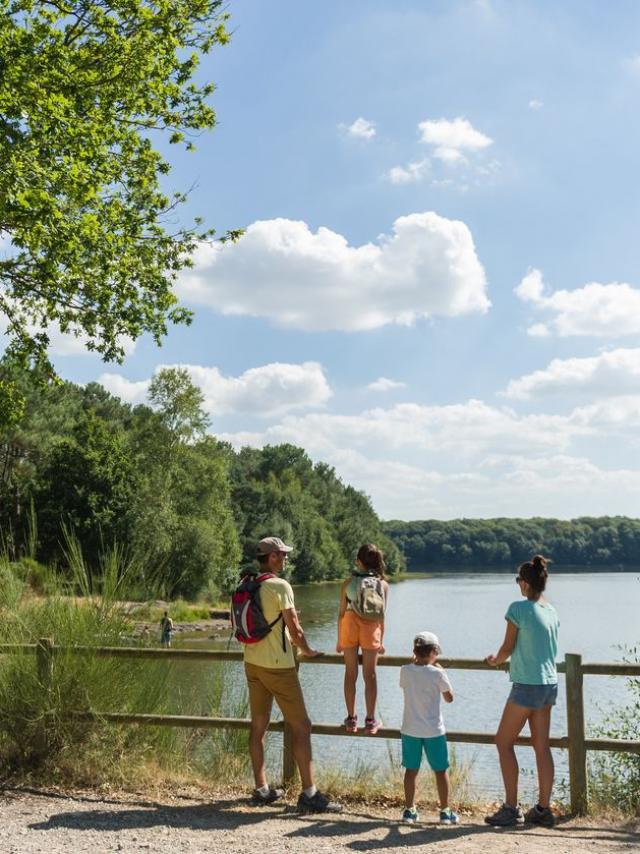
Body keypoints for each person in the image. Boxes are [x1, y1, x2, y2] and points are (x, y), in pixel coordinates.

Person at [242, 536, 342, 814]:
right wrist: (308, 650)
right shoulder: (279, 585)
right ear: (272, 556)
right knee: (302, 726)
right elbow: (295, 629)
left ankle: (262, 789)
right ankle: (309, 793)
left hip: (252, 663)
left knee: (258, 726)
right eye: (283, 554)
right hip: (278, 667)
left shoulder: (247, 582)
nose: (285, 559)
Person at [485, 555, 559, 829]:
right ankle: (543, 809)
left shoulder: (517, 608)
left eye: (518, 580)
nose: (518, 585)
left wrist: (495, 660)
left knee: (503, 742)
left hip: (527, 684)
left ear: (526, 584)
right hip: (548, 684)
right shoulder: (551, 610)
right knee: (542, 747)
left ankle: (510, 808)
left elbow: (507, 648)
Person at [399, 631, 459, 825]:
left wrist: (415, 663)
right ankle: (445, 811)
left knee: (411, 770)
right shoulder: (438, 673)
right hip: (434, 730)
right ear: (434, 652)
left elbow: (406, 683)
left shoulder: (405, 670)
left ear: (414, 651)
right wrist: (441, 672)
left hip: (410, 729)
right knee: (441, 771)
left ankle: (410, 810)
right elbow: (449, 698)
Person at [337, 543, 389, 734]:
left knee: (350, 674)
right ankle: (370, 720)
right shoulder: (382, 585)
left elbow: (341, 614)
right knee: (370, 675)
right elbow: (381, 615)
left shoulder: (348, 583)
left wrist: (339, 640)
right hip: (370, 629)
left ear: (358, 561)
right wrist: (381, 641)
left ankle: (351, 719)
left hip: (349, 626)